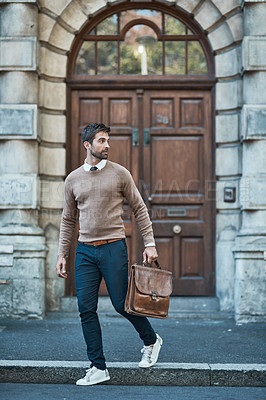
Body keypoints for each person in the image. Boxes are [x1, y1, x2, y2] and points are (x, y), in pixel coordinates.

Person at [56, 122, 162, 386]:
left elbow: (139, 208)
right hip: (84, 251)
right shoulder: (73, 179)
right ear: (87, 145)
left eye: (108, 140)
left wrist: (149, 243)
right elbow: (68, 219)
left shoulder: (120, 174)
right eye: (102, 141)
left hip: (114, 246)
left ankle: (151, 340)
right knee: (86, 309)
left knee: (121, 303)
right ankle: (98, 367)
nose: (107, 145)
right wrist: (62, 254)